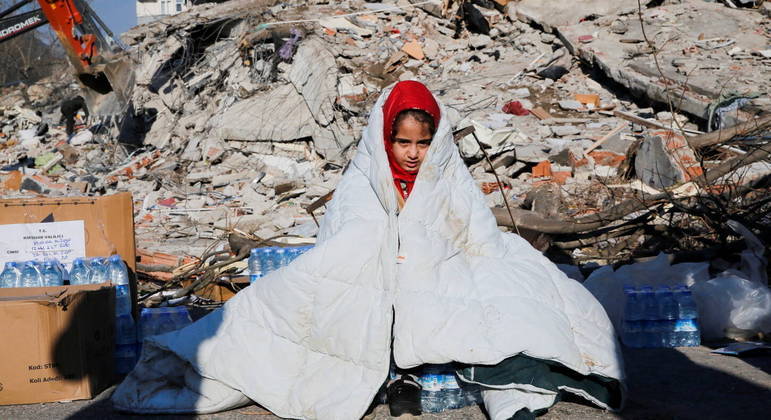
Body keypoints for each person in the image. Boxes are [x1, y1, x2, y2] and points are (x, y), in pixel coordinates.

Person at [113, 81, 625, 420]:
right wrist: (384, 248)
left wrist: (437, 249)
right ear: (386, 140)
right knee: (298, 307)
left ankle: (489, 386)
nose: (412, 153)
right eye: (403, 143)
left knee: (521, 296)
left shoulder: (447, 174)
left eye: (422, 144)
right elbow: (348, 233)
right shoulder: (365, 176)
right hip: (380, 274)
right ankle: (395, 372)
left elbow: (471, 230)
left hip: (437, 272)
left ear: (436, 143)